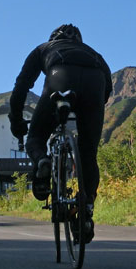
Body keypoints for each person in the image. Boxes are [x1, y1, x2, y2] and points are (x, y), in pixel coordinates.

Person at [8, 24, 112, 243]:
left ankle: (43, 162)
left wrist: (16, 122)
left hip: (60, 76)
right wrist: (88, 114)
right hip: (96, 83)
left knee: (36, 137)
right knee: (88, 154)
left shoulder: (43, 48)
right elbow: (107, 90)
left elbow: (21, 87)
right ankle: (87, 207)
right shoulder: (94, 54)